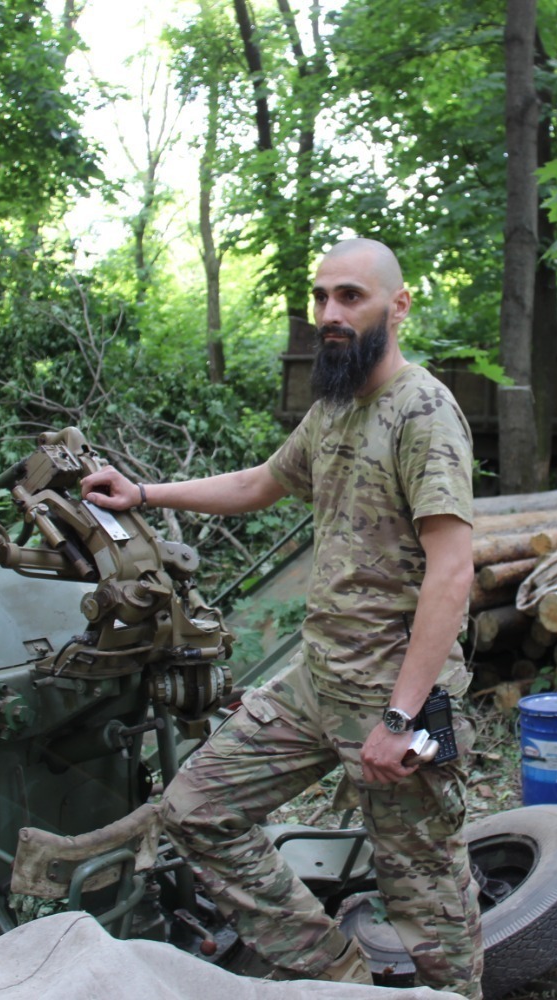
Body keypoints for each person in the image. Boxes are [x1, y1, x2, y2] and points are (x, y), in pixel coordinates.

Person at [81, 238, 482, 998]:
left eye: (351, 297)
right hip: (317, 681)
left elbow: (451, 570)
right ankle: (338, 977)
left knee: (428, 906)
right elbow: (260, 481)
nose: (330, 313)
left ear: (397, 306)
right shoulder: (335, 407)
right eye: (322, 296)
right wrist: (144, 493)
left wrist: (401, 720)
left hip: (398, 696)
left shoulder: (423, 412)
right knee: (196, 810)